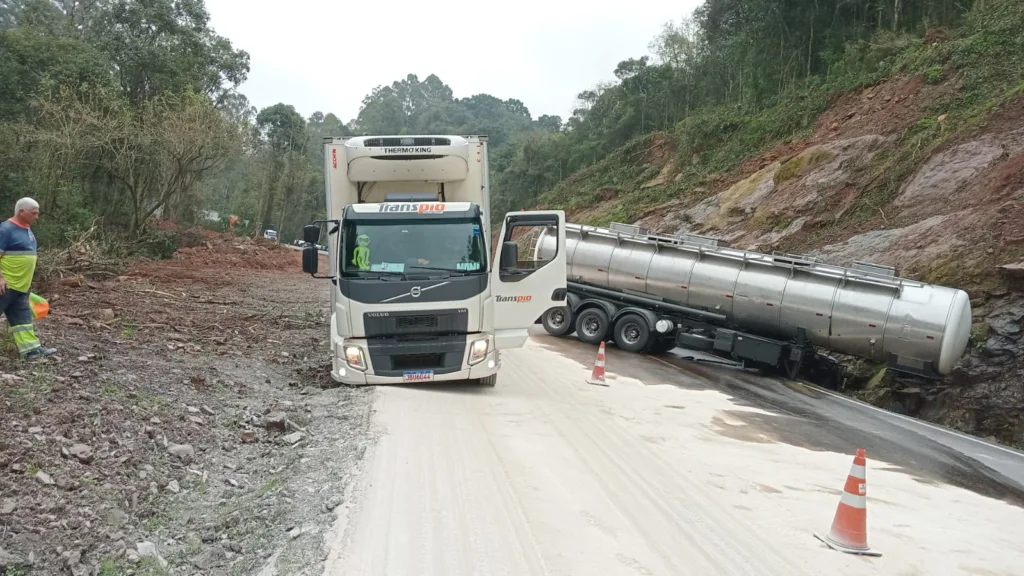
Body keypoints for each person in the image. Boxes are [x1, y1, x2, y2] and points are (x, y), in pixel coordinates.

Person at [0, 198, 56, 360]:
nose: (37, 216)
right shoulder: (6, 229)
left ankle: (31, 351)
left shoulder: (26, 229)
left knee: (22, 320)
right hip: (6, 285)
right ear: (21, 212)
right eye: (34, 213)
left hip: (21, 287)